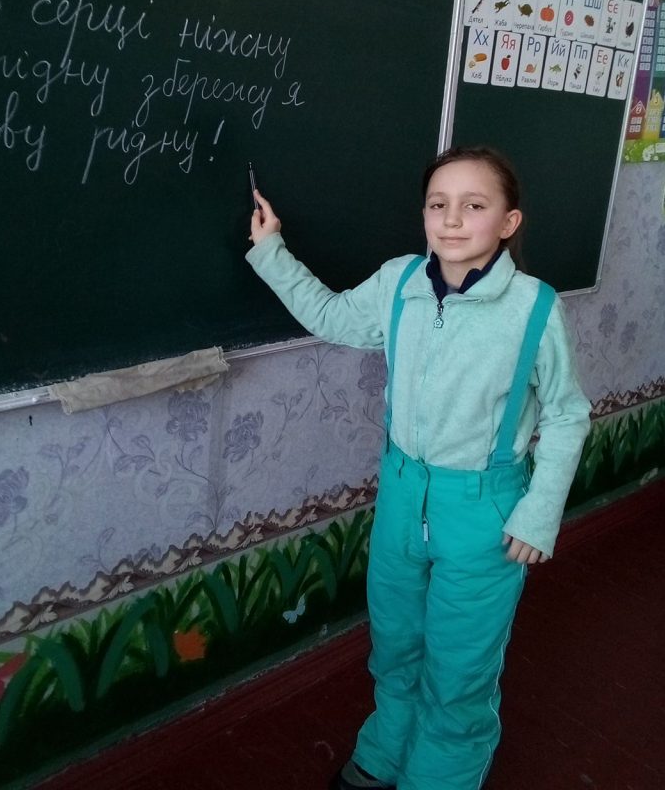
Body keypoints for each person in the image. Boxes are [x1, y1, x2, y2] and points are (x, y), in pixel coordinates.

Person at [246, 146, 591, 790]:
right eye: (438, 204)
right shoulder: (399, 282)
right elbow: (332, 317)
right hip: (402, 497)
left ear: (508, 223)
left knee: (459, 665)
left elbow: (568, 414)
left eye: (474, 205)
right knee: (397, 643)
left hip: (484, 514)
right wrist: (271, 251)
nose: (452, 219)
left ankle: (441, 774)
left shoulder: (535, 308)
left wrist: (539, 513)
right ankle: (387, 746)